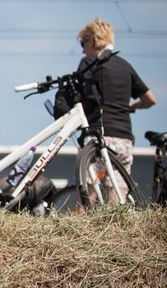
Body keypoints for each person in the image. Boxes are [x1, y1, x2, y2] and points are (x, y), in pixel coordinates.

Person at [60, 18, 155, 174]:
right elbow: (150, 99)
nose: (83, 49)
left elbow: (81, 96)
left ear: (91, 40)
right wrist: (131, 106)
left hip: (96, 135)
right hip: (123, 138)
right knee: (117, 192)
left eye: (83, 43)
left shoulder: (88, 63)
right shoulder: (125, 66)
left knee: (89, 191)